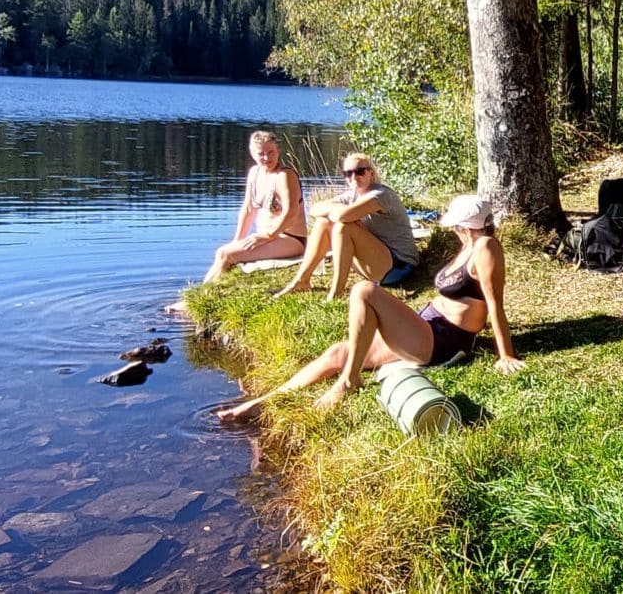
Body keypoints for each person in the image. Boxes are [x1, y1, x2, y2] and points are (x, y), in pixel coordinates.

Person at [218, 194, 522, 421]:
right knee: (339, 351)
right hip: (428, 325)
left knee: (364, 291)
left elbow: (495, 305)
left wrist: (506, 354)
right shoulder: (468, 246)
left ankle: (349, 381)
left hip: (443, 340)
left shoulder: (486, 247)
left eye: (455, 225)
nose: (453, 230)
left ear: (464, 226)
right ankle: (265, 401)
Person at [274, 151, 423, 298]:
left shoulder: (380, 194)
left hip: (399, 267)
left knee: (343, 227)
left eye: (360, 171)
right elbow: (315, 209)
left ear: (371, 173)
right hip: (376, 264)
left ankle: (336, 292)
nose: (354, 177)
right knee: (324, 222)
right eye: (348, 173)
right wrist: (340, 214)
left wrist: (341, 214)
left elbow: (342, 216)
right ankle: (302, 280)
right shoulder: (353, 196)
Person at [203, 130, 309, 280]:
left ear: (278, 150)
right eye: (261, 154)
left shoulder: (285, 176)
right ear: (253, 154)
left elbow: (291, 213)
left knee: (226, 254)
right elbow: (248, 209)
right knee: (223, 251)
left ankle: (199, 299)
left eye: (271, 152)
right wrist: (237, 240)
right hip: (266, 237)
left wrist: (268, 236)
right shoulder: (254, 173)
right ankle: (198, 295)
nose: (267, 158)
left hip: (290, 239)